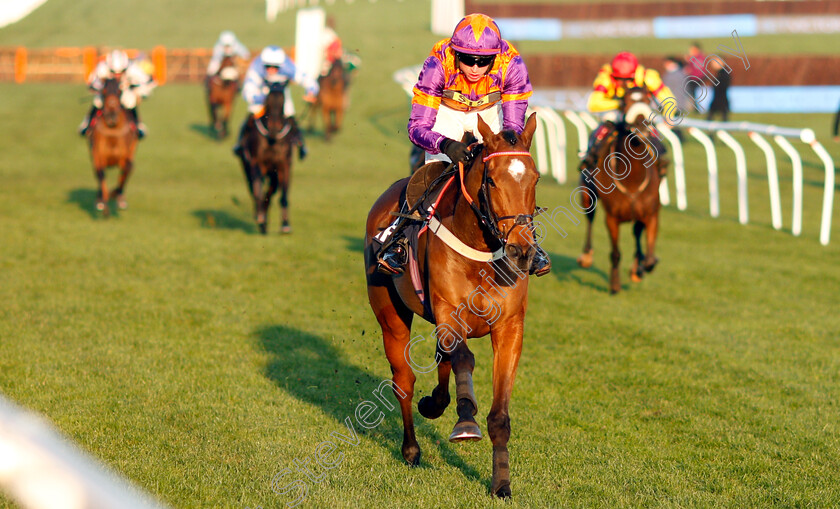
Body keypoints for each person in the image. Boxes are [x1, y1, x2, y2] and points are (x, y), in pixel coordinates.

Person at [376, 13, 550, 277]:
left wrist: (502, 150)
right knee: (435, 171)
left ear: (496, 56)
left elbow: (513, 130)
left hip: (491, 111)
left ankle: (530, 242)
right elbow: (417, 127)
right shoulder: (437, 64)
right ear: (455, 54)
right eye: (468, 59)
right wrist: (444, 145)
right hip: (447, 112)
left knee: (512, 170)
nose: (476, 68)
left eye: (484, 61)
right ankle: (400, 240)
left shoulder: (511, 63)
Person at [580, 51, 675, 176]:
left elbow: (669, 100)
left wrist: (669, 115)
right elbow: (593, 104)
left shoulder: (648, 77)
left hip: (639, 115)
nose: (623, 82)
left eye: (627, 79)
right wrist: (621, 104)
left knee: (652, 135)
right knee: (601, 131)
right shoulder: (605, 77)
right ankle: (590, 157)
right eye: (619, 79)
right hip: (616, 113)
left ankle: (659, 161)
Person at [233, 45, 318, 161]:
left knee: (291, 118)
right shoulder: (257, 66)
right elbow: (247, 90)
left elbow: (307, 79)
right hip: (262, 96)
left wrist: (311, 92)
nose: (271, 69)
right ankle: (240, 143)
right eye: (268, 66)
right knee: (251, 117)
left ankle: (301, 145)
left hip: (281, 97)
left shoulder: (287, 66)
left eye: (275, 67)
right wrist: (261, 99)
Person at [78, 49, 156, 138]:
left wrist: (133, 85)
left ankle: (138, 124)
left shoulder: (133, 68)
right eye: (114, 73)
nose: (117, 76)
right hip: (107, 92)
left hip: (125, 91)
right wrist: (101, 87)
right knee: (98, 101)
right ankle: (87, 123)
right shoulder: (102, 68)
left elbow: (146, 81)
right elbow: (92, 82)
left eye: (120, 73)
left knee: (130, 101)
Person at [706, 58, 731, 122]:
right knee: (722, 117)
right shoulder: (721, 72)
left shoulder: (724, 73)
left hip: (720, 98)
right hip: (719, 98)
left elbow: (722, 86)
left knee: (714, 116)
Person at [683, 42, 706, 111]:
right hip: (695, 78)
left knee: (693, 93)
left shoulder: (698, 58)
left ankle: (696, 108)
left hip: (696, 79)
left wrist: (689, 59)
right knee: (692, 93)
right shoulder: (699, 57)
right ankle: (694, 108)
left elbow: (697, 69)